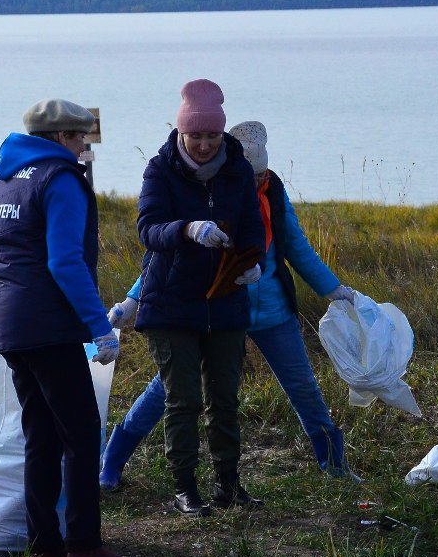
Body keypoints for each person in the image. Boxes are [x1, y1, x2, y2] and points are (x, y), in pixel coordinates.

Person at [101, 120, 360, 492]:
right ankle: (112, 460)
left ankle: (334, 465)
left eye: (260, 176)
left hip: (272, 311)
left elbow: (298, 248)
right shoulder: (215, 188)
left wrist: (334, 290)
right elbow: (165, 258)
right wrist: (132, 299)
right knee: (167, 390)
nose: (255, 183)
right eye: (250, 176)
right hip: (217, 311)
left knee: (303, 385)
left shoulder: (272, 193)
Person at [0, 97, 133, 557]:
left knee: (40, 435)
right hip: (49, 325)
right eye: (81, 137)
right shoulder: (60, 179)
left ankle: (44, 544)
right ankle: (84, 546)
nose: (86, 146)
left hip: (9, 325)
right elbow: (65, 261)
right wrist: (99, 329)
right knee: (82, 435)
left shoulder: (2, 182)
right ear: (61, 139)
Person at [134, 79, 266, 517]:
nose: (205, 144)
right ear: (181, 132)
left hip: (226, 300)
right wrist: (186, 229)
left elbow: (250, 224)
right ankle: (185, 489)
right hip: (171, 304)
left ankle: (229, 485)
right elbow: (148, 229)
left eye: (212, 135)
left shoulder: (238, 169)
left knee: (225, 399)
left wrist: (254, 261)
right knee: (184, 400)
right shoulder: (160, 169)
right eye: (197, 136)